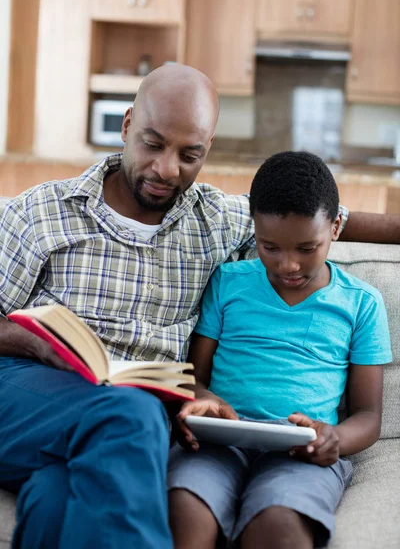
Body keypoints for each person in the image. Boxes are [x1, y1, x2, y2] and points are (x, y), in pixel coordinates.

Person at [0, 64, 397, 547]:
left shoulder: (216, 217)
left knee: (56, 497)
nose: (168, 169)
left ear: (207, 150)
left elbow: (330, 219)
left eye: (189, 155)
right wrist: (38, 344)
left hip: (123, 428)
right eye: (152, 143)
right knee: (134, 414)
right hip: (31, 390)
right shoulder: (40, 212)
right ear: (126, 127)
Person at [168, 151, 392, 549]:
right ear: (254, 230)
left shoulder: (362, 303)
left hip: (301, 455)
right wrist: (201, 399)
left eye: (306, 248)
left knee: (278, 526)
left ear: (336, 227)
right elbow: (195, 377)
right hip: (220, 443)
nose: (288, 265)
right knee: (186, 509)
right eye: (271, 248)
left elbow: (369, 415)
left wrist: (333, 439)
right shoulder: (229, 282)